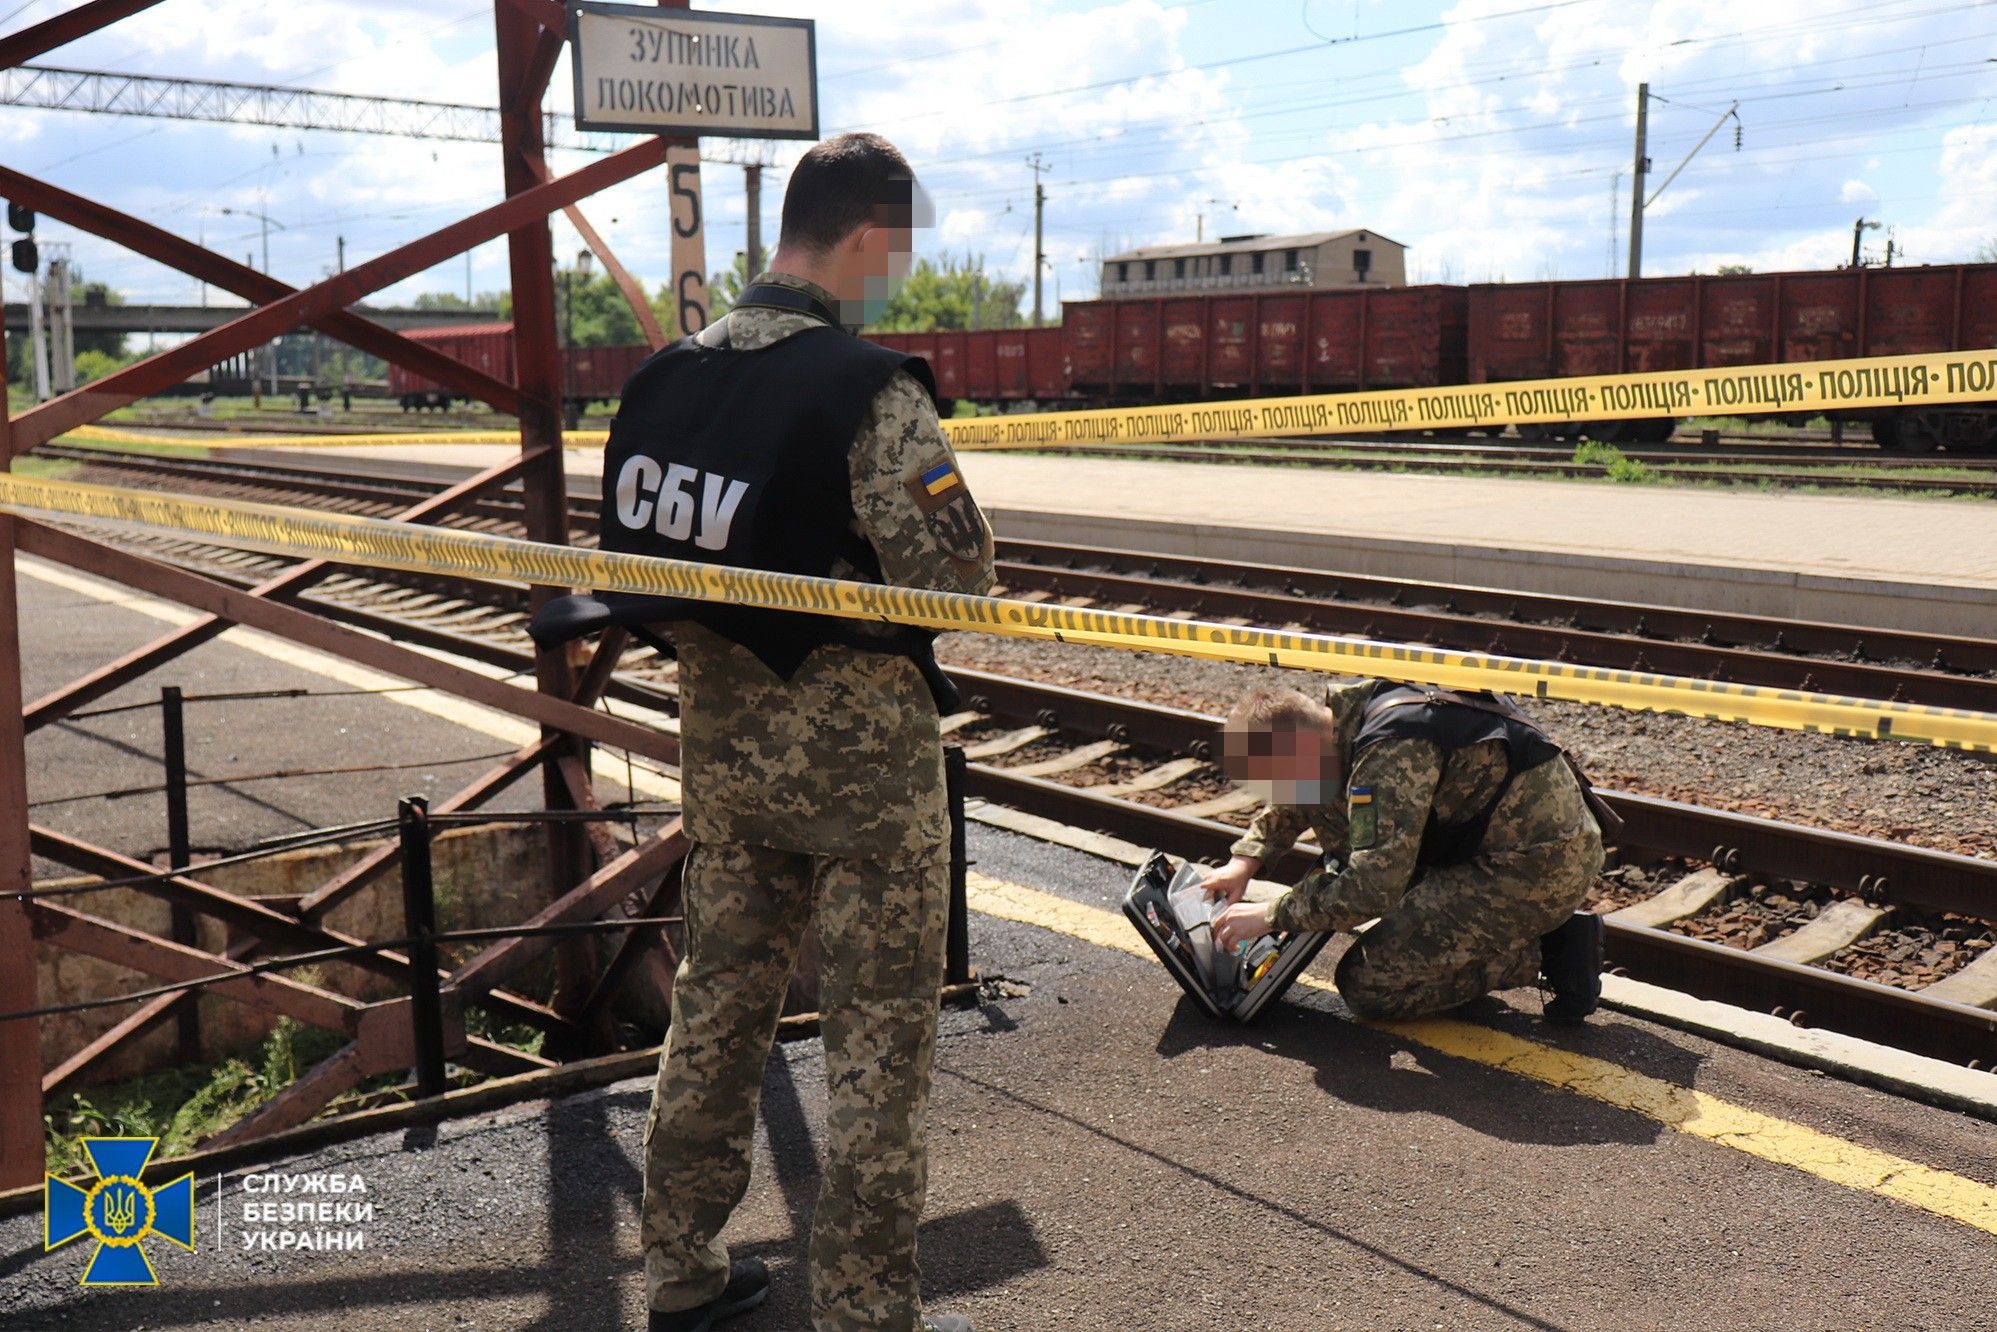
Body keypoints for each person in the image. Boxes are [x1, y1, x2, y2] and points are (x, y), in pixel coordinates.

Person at [616, 133, 993, 1332]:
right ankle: (866, 1310)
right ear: (869, 236)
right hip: (865, 780)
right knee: (879, 1051)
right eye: (901, 249)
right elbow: (958, 574)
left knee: (714, 1012)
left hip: (723, 760)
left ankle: (678, 1268)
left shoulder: (663, 380)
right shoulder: (863, 389)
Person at [1204, 679, 1607, 1024]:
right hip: (1485, 846)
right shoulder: (1341, 716)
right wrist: (1246, 860)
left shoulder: (1388, 758)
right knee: (1343, 832)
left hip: (1536, 865)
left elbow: (1371, 890)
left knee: (1370, 984)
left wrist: (1271, 914)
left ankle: (1550, 953)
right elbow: (1299, 789)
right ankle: (1482, 938)